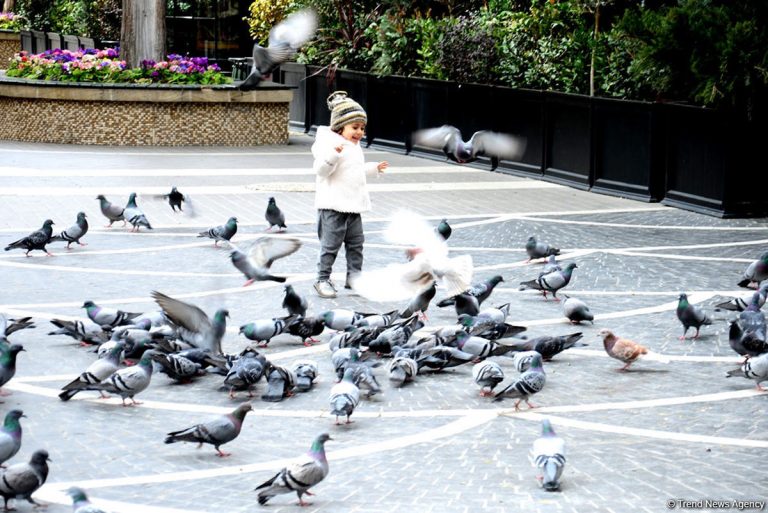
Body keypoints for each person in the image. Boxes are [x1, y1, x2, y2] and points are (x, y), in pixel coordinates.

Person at [312, 91, 389, 298]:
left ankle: (355, 279)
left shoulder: (353, 147)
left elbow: (354, 170)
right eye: (354, 127)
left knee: (356, 245)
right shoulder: (329, 145)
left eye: (362, 128)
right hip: (333, 207)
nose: (359, 132)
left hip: (353, 206)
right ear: (340, 126)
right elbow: (321, 171)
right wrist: (333, 154)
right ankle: (322, 279)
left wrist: (373, 168)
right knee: (330, 246)